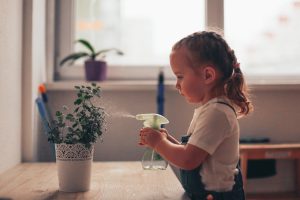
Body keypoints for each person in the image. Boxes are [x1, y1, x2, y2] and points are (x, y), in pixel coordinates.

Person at [139, 31, 253, 200]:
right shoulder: (210, 110)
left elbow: (188, 160)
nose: (177, 85)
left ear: (208, 75)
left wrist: (158, 143)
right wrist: (167, 140)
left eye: (180, 76)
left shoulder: (217, 113)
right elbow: (197, 155)